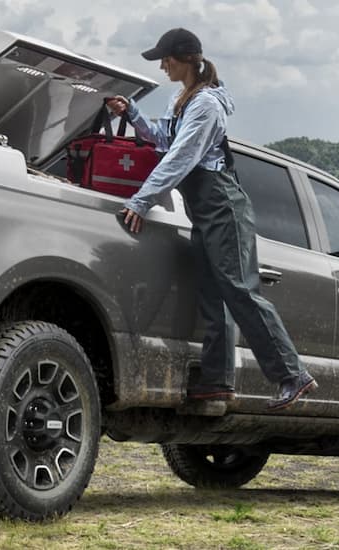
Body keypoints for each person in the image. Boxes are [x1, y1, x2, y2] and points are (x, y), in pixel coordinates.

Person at [106, 27, 317, 411]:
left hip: (224, 206)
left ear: (185, 58)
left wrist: (141, 201)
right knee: (213, 295)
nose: (162, 65)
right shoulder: (181, 98)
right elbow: (163, 139)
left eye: (165, 58)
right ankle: (217, 382)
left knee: (238, 289)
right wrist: (132, 114)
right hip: (203, 211)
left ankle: (292, 374)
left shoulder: (206, 105)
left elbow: (180, 157)